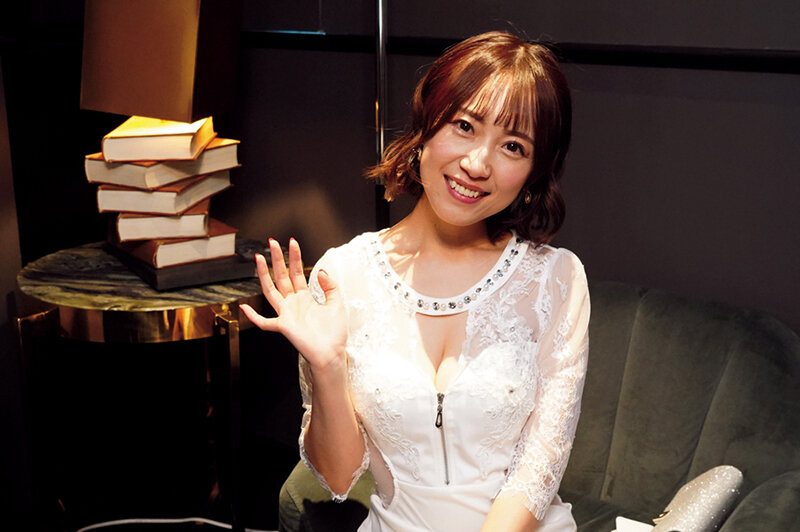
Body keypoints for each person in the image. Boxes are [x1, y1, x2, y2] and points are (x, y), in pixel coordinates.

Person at [240, 31, 590, 532]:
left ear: (534, 173)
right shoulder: (342, 276)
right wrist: (327, 365)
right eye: (464, 126)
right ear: (426, 125)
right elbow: (337, 479)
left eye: (513, 146)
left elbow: (539, 471)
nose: (477, 164)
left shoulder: (556, 279)